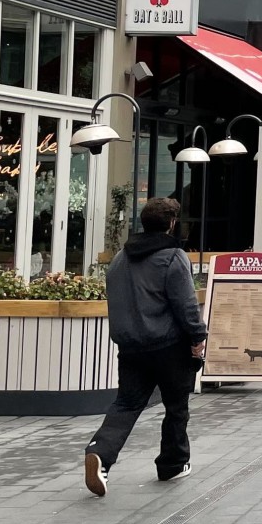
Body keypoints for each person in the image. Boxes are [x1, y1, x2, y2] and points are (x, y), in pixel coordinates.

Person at [83, 196, 208, 496]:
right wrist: (197, 337)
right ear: (172, 224)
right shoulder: (173, 257)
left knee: (126, 404)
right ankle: (173, 464)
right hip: (168, 345)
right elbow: (185, 304)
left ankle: (100, 453)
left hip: (131, 347)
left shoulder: (120, 259)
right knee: (176, 406)